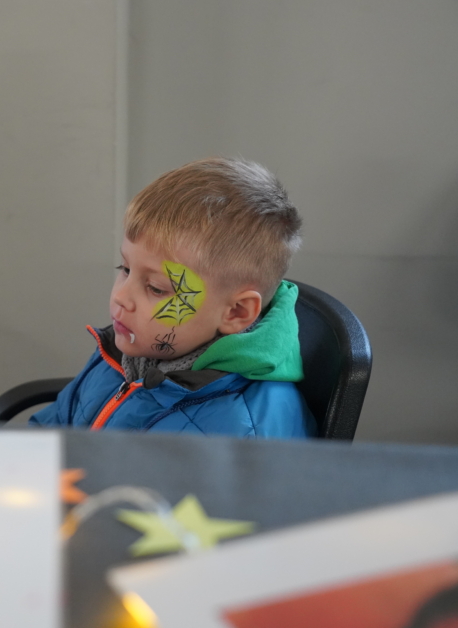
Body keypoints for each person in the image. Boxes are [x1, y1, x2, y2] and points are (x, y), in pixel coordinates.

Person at [31, 157, 316, 438]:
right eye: (125, 269)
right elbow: (53, 426)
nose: (121, 297)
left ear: (236, 312)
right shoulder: (125, 351)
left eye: (156, 288)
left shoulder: (242, 432)